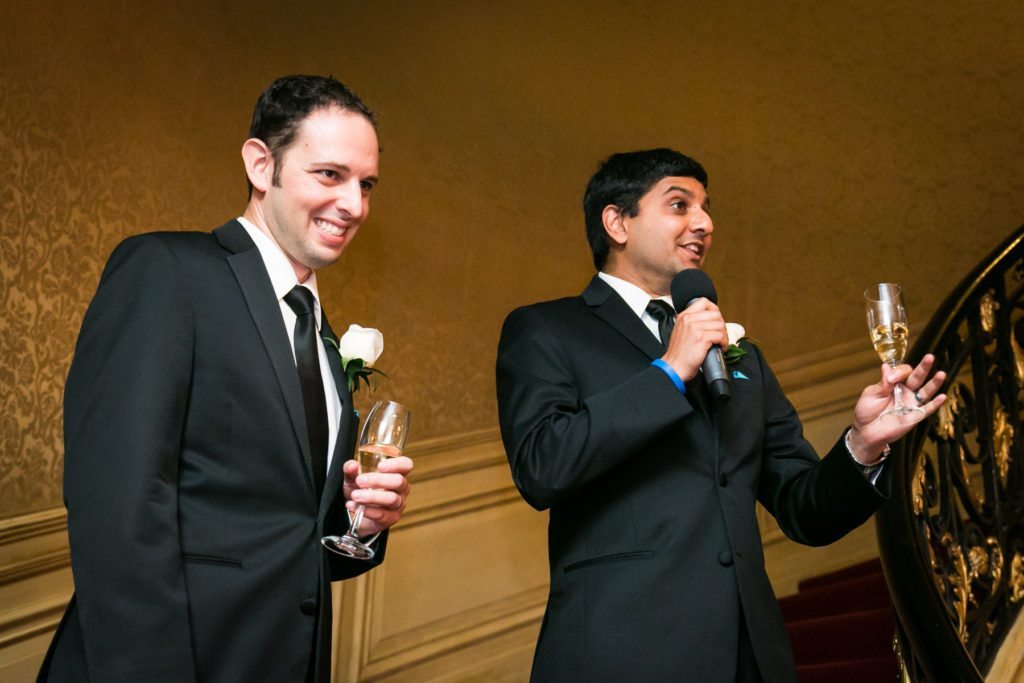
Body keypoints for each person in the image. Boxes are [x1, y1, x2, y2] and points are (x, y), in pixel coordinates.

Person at [495, 148, 947, 682]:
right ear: (616, 221)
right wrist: (668, 371)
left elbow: (804, 510)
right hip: (620, 652)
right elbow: (543, 467)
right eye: (680, 204)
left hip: (748, 656)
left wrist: (862, 446)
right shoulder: (548, 330)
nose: (704, 224)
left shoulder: (741, 356)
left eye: (706, 208)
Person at [38, 75, 412, 683]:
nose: (354, 204)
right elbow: (119, 506)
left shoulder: (318, 328)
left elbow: (290, 536)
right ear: (261, 165)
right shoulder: (168, 272)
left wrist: (360, 526)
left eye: (365, 184)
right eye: (330, 175)